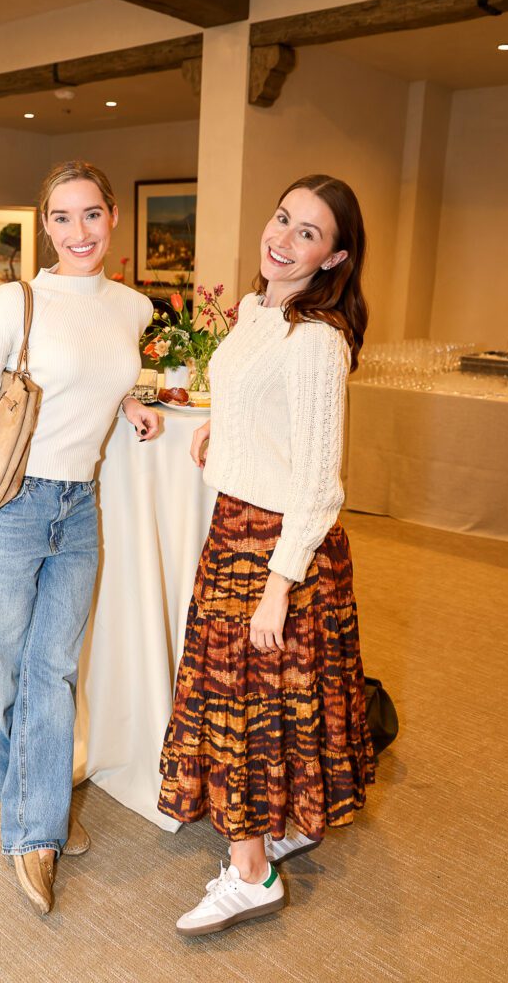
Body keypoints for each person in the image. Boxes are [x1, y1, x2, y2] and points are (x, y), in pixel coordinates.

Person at [0, 160, 159, 916]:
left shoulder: (133, 306)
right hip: (5, 510)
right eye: (61, 217)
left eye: (91, 215)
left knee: (52, 675)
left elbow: (97, 375)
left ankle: (35, 829)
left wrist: (131, 402)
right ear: (45, 225)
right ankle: (40, 806)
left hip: (78, 510)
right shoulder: (14, 304)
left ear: (114, 217)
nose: (77, 232)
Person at [158, 173, 375, 936]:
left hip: (278, 543)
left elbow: (319, 482)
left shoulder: (317, 340)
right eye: (282, 219)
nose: (282, 239)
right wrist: (223, 427)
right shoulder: (259, 310)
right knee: (262, 701)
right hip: (235, 523)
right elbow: (254, 394)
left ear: (335, 256)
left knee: (241, 706)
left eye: (307, 233)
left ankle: (251, 873)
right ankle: (284, 825)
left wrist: (280, 585)